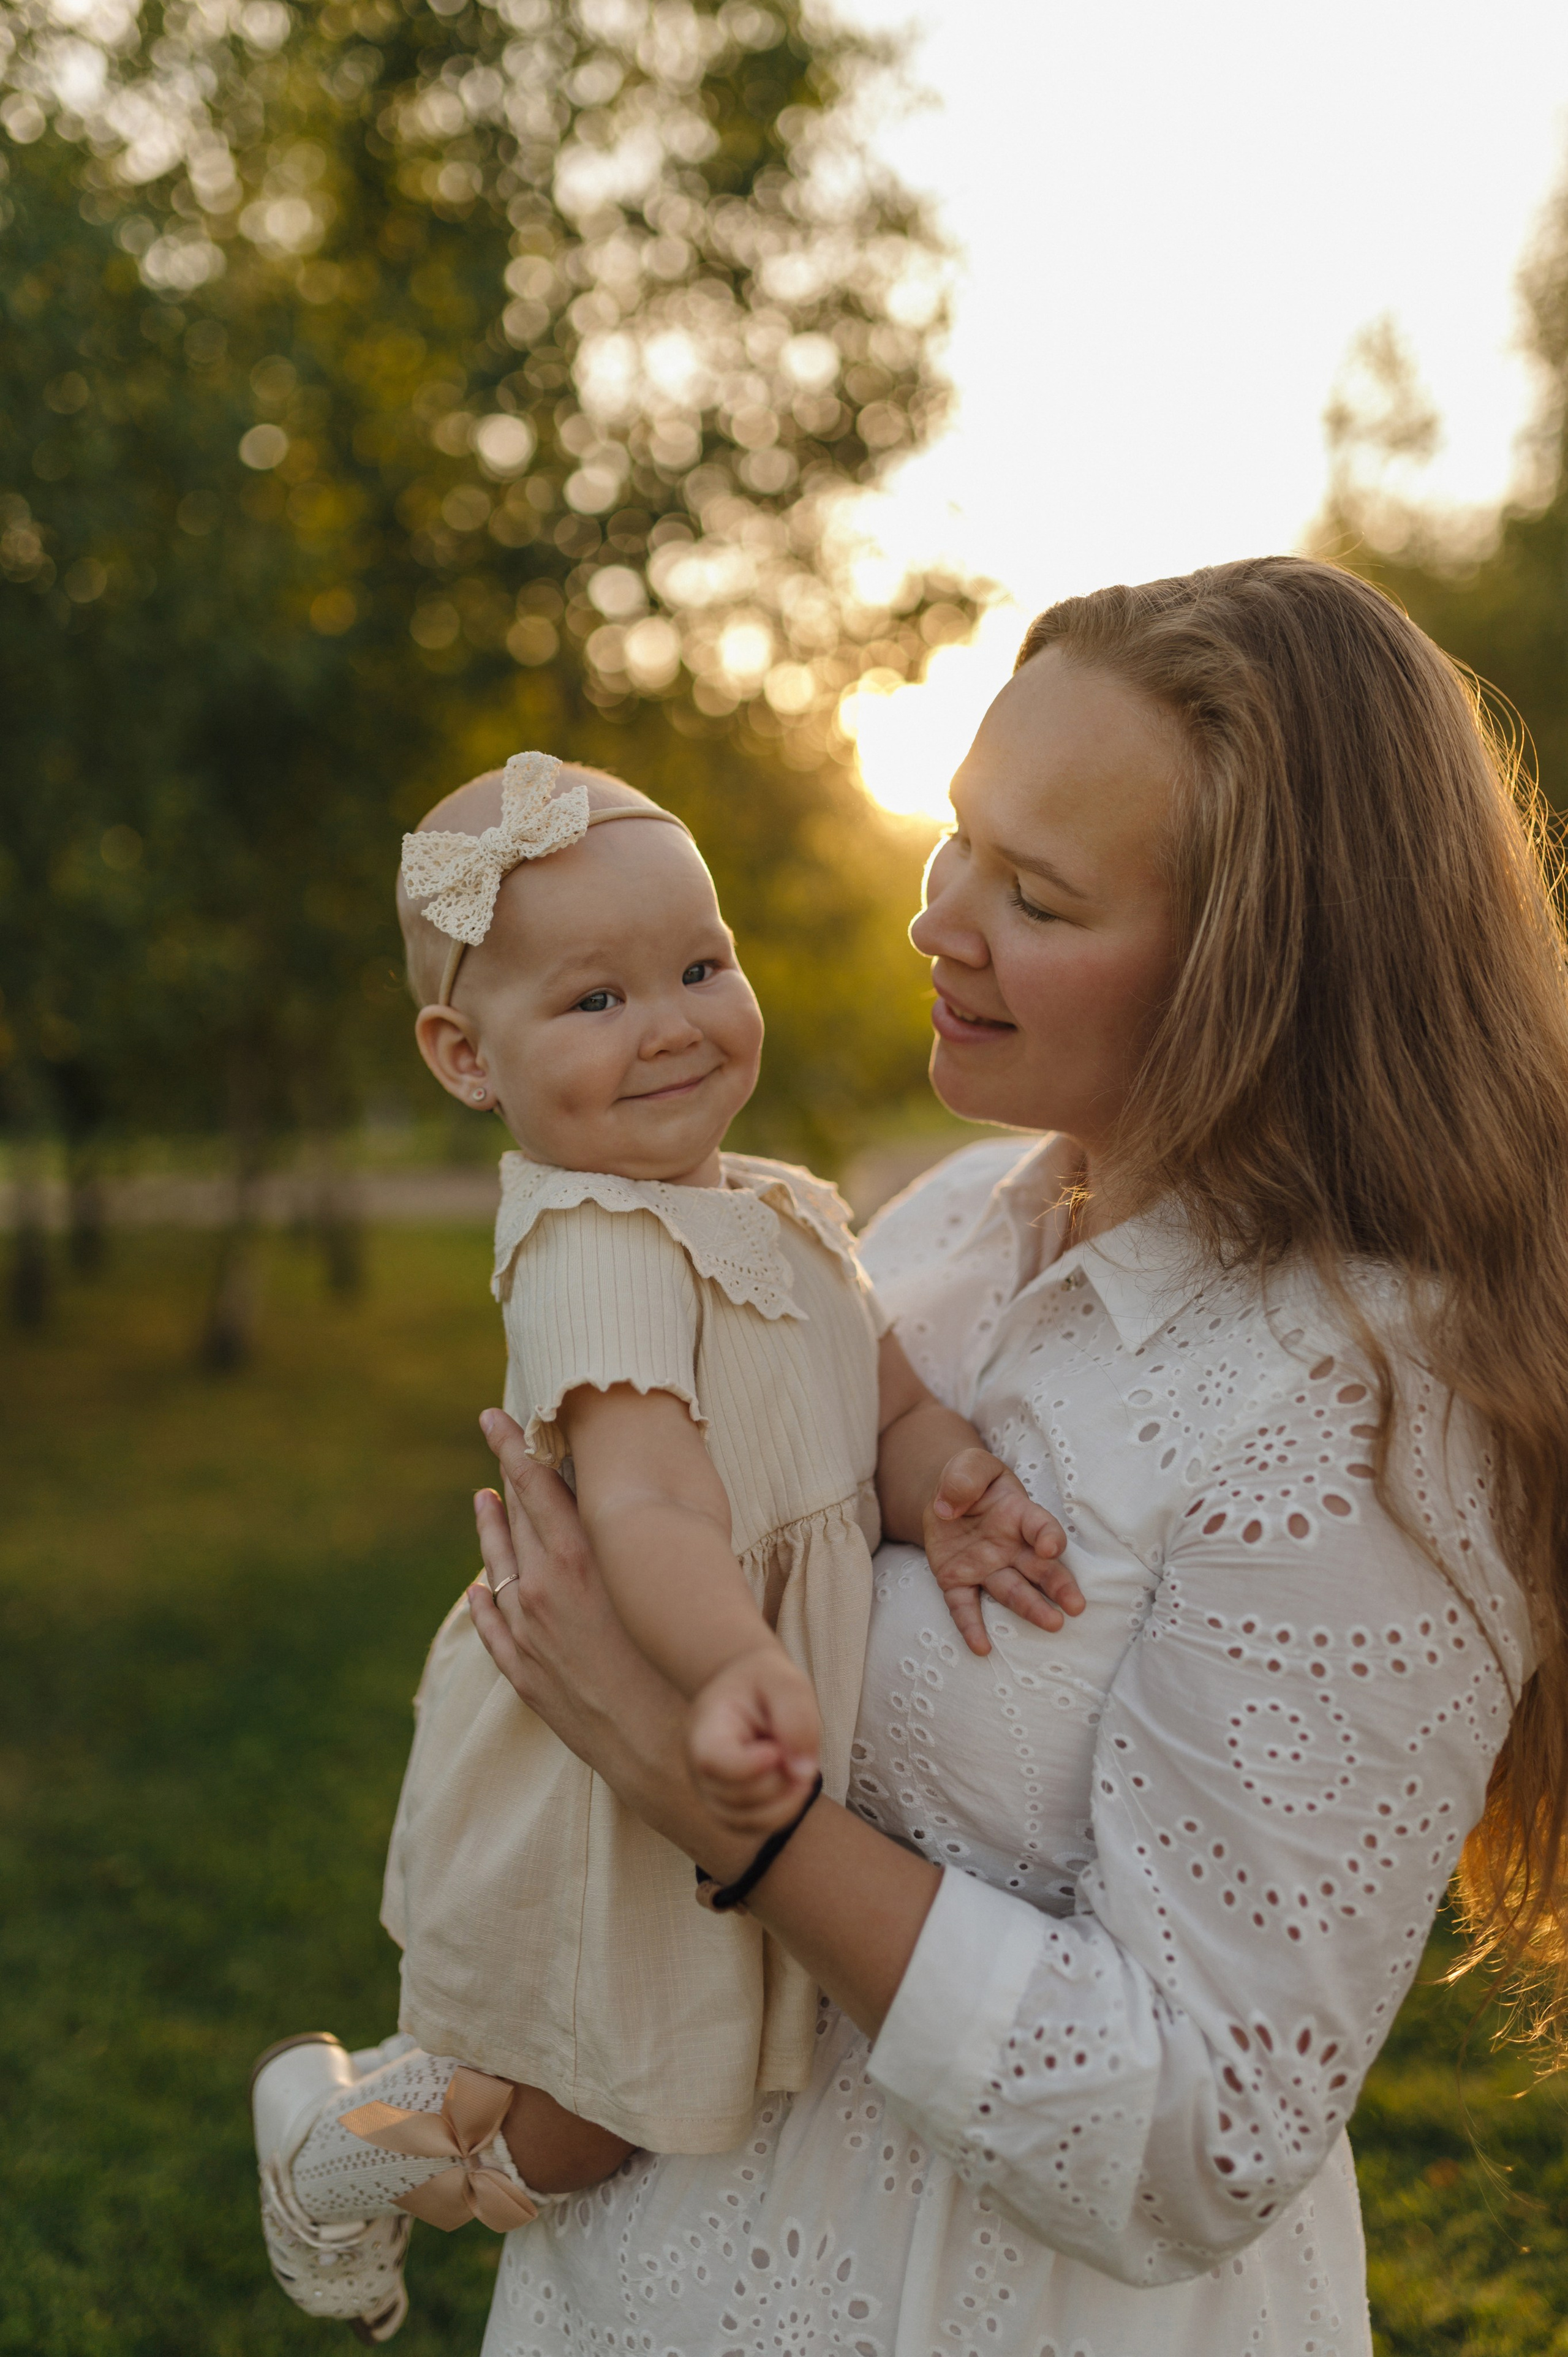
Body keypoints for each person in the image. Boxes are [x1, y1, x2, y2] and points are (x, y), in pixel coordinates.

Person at [462, 557, 1568, 2357]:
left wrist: (729, 1812)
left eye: (1036, 897)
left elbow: (1200, 2137)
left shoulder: (1366, 1414)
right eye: (957, 839)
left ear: (1254, 979)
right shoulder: (957, 1218)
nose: (939, 923)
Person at [249, 751, 1082, 2342]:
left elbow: (882, 1407)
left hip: (723, 1703)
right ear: (462, 1055)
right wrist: (737, 1662)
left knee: (662, 2071)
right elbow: (649, 1506)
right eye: (595, 1001)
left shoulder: (777, 1207)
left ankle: (393, 2127)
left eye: (702, 967)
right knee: (607, 2102)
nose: (675, 1022)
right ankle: (343, 2143)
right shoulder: (592, 1244)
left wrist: (954, 1485)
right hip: (644, 1719)